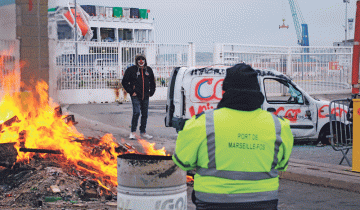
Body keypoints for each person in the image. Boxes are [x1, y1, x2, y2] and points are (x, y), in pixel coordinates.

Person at [172, 63, 294, 210]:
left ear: (225, 91)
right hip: (263, 201)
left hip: (213, 201)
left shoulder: (201, 123)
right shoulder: (279, 126)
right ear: (257, 91)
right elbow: (281, 165)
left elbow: (183, 162)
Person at [121, 54, 156, 140]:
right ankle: (133, 132)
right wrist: (131, 91)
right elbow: (124, 82)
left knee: (145, 114)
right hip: (135, 96)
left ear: (145, 60)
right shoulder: (131, 70)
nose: (141, 61)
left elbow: (153, 82)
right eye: (139, 59)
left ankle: (143, 132)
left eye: (142, 59)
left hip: (146, 96)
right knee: (136, 112)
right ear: (136, 61)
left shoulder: (149, 70)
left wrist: (151, 92)